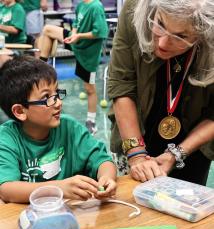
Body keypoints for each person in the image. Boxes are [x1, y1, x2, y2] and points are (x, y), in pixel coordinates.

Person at [107, 0, 214, 185]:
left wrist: (177, 153)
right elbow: (121, 85)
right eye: (160, 24)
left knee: (186, 206)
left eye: (180, 35)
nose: (163, 43)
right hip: (134, 132)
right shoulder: (135, 9)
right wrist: (136, 156)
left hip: (194, 144)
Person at [0, 55, 117, 203]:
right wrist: (59, 188)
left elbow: (102, 160)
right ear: (20, 111)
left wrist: (106, 178)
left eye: (57, 93)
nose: (58, 103)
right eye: (47, 97)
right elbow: (7, 189)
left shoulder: (69, 127)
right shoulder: (7, 138)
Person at [38, 0, 108, 135]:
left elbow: (100, 32)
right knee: (48, 29)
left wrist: (78, 36)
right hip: (76, 41)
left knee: (89, 89)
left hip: (89, 52)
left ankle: (91, 122)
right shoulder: (81, 5)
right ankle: (41, 67)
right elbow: (76, 23)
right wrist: (74, 34)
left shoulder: (96, 6)